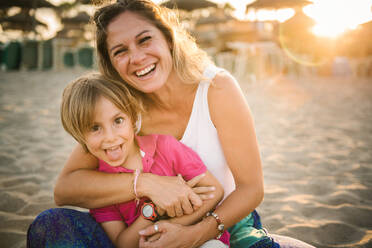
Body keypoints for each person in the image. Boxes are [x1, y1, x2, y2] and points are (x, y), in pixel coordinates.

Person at [27, 0, 315, 247]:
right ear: (111, 63)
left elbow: (252, 189)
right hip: (139, 231)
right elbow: (65, 189)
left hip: (220, 222)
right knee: (50, 224)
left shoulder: (216, 89)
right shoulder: (120, 113)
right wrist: (148, 184)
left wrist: (192, 235)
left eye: (144, 40)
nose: (137, 58)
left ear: (168, 38)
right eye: (120, 51)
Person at [59, 73, 229, 248]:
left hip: (199, 241)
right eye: (95, 128)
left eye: (118, 121)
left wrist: (172, 228)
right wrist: (152, 211)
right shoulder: (100, 187)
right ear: (79, 136)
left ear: (132, 118)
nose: (110, 137)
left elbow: (214, 190)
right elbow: (124, 244)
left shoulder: (166, 147)